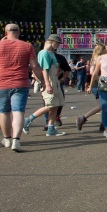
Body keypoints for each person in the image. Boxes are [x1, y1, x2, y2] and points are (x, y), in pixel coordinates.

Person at [0, 23, 44, 152]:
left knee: (4, 112)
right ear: (19, 32)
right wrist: (41, 80)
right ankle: (16, 141)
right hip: (20, 83)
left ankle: (7, 138)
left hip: (2, 83)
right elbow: (35, 66)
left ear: (5, 32)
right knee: (18, 112)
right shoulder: (27, 46)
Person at [23, 35, 67, 137]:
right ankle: (28, 120)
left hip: (55, 81)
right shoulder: (44, 53)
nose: (58, 46)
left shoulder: (51, 53)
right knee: (50, 105)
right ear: (52, 42)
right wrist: (47, 84)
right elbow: (44, 70)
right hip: (50, 82)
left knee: (56, 105)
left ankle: (51, 128)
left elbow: (52, 68)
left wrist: (58, 70)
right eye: (57, 44)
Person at [76, 44, 106, 132]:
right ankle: (82, 118)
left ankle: (104, 124)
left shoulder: (97, 59)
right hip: (97, 85)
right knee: (102, 106)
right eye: (104, 49)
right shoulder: (97, 59)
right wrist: (102, 80)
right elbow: (93, 72)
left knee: (105, 106)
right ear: (101, 50)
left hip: (98, 85)